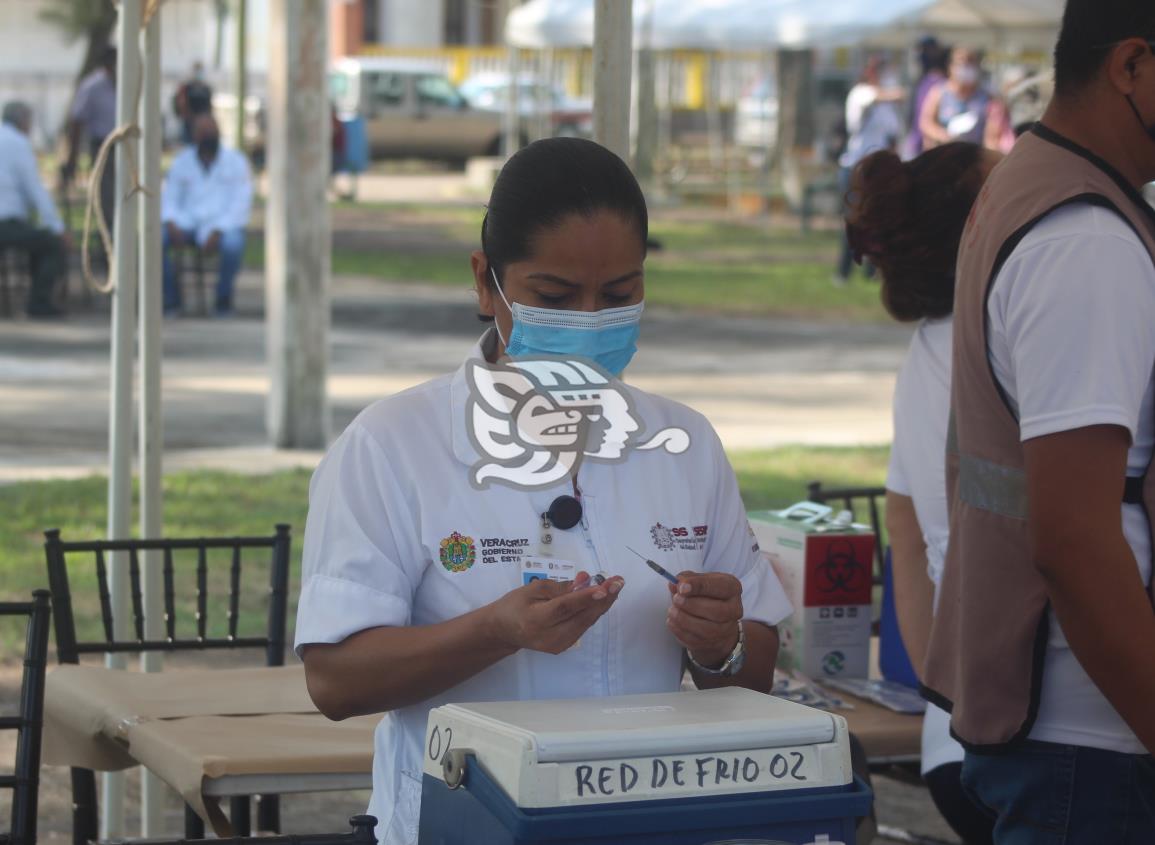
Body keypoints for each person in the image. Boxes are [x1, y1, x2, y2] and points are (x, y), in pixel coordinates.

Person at [295, 137, 792, 845]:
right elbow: (335, 680)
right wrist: (495, 631)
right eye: (555, 297)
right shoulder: (392, 446)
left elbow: (752, 670)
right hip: (461, 826)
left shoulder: (684, 445)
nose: (589, 322)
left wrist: (721, 647)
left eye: (618, 295)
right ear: (484, 283)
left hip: (647, 823)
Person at [923, 0, 1155, 841]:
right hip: (1095, 744)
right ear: (1130, 67)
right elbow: (1073, 536)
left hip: (1069, 730)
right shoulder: (1084, 239)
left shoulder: (1041, 186)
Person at [847, 142, 1000, 845]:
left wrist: (943, 693)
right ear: (982, 224)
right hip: (1030, 741)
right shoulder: (1008, 341)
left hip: (951, 743)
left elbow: (903, 542)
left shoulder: (923, 359)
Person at [161, 114, 252, 317]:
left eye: (211, 131)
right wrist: (171, 221)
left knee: (233, 245)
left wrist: (219, 229)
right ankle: (170, 300)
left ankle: (223, 300)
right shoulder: (182, 161)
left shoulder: (236, 162)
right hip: (187, 223)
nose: (207, 136)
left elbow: (241, 202)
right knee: (155, 240)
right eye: (203, 132)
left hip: (222, 224)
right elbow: (170, 197)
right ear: (194, 135)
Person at [835, 56, 905, 284]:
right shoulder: (860, 93)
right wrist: (901, 92)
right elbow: (882, 96)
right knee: (854, 221)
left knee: (879, 220)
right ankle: (844, 272)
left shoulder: (887, 109)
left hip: (879, 169)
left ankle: (872, 271)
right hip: (857, 166)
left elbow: (892, 133)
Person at [0, 101, 69, 318]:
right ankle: (39, 304)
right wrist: (57, 227)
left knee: (36, 239)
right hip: (6, 223)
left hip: (11, 223)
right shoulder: (18, 143)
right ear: (23, 121)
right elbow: (35, 190)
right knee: (51, 244)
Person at [63, 46, 118, 229]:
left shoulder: (129, 82)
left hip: (125, 147)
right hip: (102, 147)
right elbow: (77, 121)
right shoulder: (92, 86)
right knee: (106, 199)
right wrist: (73, 157)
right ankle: (109, 242)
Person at [919, 48, 1002, 151]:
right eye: (962, 61)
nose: (966, 66)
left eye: (971, 61)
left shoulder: (987, 97)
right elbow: (925, 122)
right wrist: (944, 136)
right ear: (951, 66)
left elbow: (992, 135)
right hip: (945, 154)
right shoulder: (938, 92)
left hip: (975, 156)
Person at [906, 37, 950, 157]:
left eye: (927, 50)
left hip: (932, 149)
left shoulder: (940, 84)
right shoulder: (924, 81)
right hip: (917, 146)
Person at [173, 61, 214, 146]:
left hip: (202, 123)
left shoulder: (206, 88)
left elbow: (209, 106)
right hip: (188, 121)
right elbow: (179, 104)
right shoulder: (186, 88)